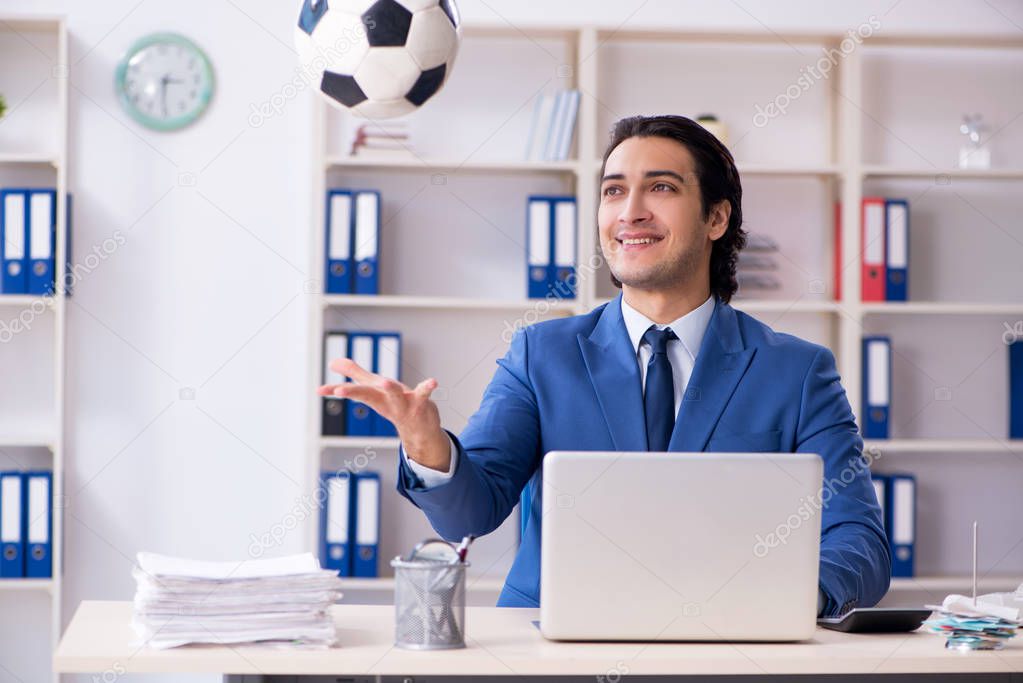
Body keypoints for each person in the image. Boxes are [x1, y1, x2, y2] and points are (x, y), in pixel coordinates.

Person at [318, 114, 891, 617]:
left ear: (717, 218)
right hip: (555, 647)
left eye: (660, 187)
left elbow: (859, 541)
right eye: (614, 191)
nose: (631, 211)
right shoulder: (541, 354)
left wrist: (783, 599)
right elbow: (473, 509)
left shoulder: (795, 371)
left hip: (727, 648)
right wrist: (428, 447)